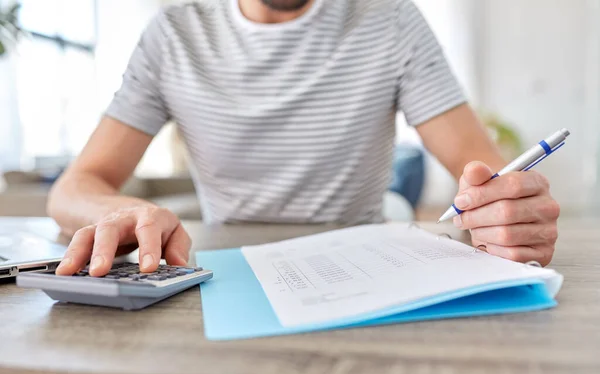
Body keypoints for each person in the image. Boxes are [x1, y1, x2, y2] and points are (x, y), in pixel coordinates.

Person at [49, 0, 560, 277]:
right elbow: (74, 188)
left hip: (367, 269)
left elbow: (486, 177)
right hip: (222, 269)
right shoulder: (172, 35)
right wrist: (123, 213)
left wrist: (505, 212)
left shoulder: (392, 19)